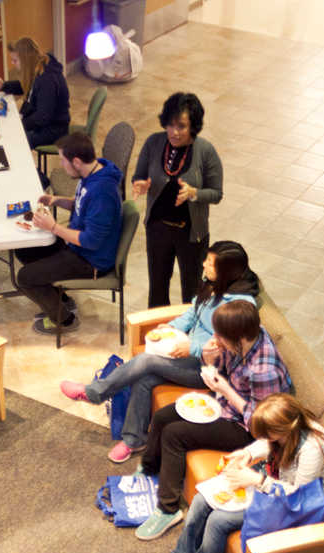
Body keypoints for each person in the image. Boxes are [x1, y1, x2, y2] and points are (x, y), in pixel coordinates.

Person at [59, 240, 259, 463]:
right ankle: (134, 441)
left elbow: (227, 350)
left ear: (227, 271)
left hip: (209, 372)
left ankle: (94, 393)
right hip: (190, 358)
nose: (203, 265)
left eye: (210, 264)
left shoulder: (240, 307)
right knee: (144, 379)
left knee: (146, 361)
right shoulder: (214, 285)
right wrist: (173, 326)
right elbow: (193, 312)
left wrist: (192, 348)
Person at [134, 299, 292, 540]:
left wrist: (226, 390)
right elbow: (222, 368)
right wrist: (209, 359)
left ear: (238, 338)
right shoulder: (243, 341)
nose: (216, 339)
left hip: (246, 429)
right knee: (164, 416)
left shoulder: (263, 370)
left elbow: (260, 425)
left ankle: (168, 509)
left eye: (221, 337)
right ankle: (150, 467)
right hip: (223, 404)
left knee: (174, 434)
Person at [156, 394, 324, 553]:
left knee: (218, 521)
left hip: (292, 506)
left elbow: (299, 496)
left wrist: (258, 480)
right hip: (270, 481)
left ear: (282, 430)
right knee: (201, 500)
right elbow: (267, 441)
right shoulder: (285, 426)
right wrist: (247, 454)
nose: (266, 438)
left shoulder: (313, 448)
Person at [15, 132, 122, 335]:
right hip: (77, 247)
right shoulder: (94, 172)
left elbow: (91, 241)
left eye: (63, 161)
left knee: (25, 278)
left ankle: (65, 319)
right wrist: (57, 200)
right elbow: (82, 205)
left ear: (77, 161)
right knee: (24, 250)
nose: (62, 166)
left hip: (90, 261)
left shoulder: (103, 192)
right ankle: (62, 299)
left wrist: (54, 228)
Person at [132, 92, 223, 309]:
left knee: (192, 293)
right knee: (157, 288)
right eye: (170, 125)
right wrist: (141, 184)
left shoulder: (205, 151)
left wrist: (195, 194)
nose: (174, 132)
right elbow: (139, 175)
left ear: (193, 126)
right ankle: (157, 336)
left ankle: (190, 337)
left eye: (181, 126)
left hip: (191, 234)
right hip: (157, 230)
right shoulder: (153, 143)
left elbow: (217, 193)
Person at [0, 37, 70, 150]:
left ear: (25, 60)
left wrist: (20, 124)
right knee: (10, 132)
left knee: (14, 141)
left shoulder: (47, 80)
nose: (13, 64)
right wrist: (4, 86)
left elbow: (42, 117)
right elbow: (28, 87)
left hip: (54, 129)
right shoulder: (38, 68)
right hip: (46, 124)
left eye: (15, 60)